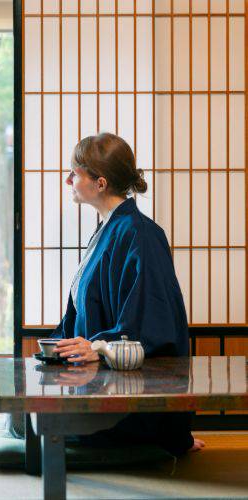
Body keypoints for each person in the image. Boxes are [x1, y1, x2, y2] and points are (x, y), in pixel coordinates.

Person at [50, 132, 204, 455]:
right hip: (95, 383)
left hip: (126, 398)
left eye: (74, 172)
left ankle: (157, 436)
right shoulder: (108, 230)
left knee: (27, 423)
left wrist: (97, 345)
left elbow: (154, 324)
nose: (67, 180)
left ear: (100, 183)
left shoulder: (141, 235)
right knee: (21, 419)